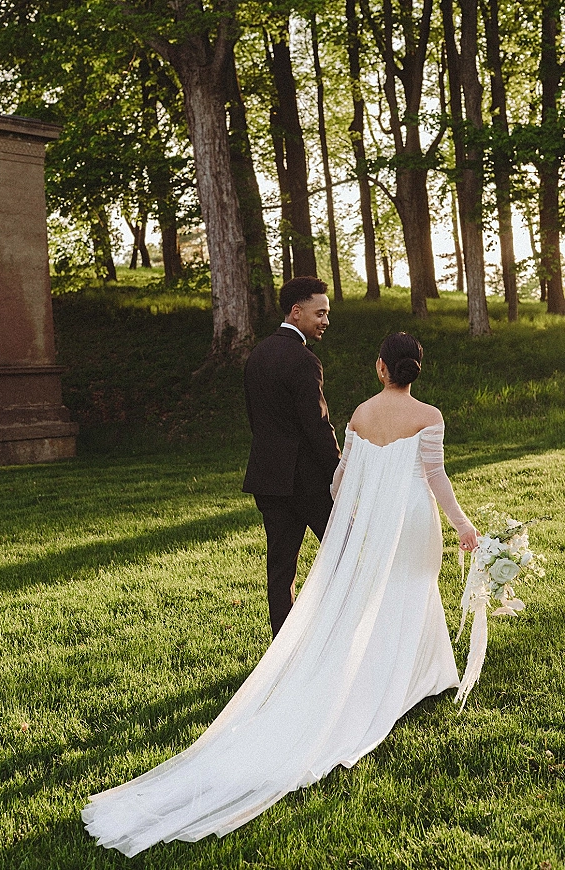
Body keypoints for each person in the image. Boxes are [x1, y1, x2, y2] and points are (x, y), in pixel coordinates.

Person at [82, 332, 477, 857]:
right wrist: (462, 524)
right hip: (411, 517)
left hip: (378, 520)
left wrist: (357, 506)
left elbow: (339, 482)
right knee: (412, 590)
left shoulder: (359, 415)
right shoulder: (430, 417)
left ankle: (412, 672)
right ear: (415, 370)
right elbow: (436, 478)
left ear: (381, 367)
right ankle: (416, 674)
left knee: (381, 596)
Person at [242, 275, 341, 637]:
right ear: (297, 312)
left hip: (269, 480)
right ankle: (342, 632)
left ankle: (283, 646)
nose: (326, 321)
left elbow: (256, 419)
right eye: (321, 313)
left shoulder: (257, 355)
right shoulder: (304, 360)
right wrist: (339, 472)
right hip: (310, 483)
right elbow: (317, 426)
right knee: (345, 556)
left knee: (280, 570)